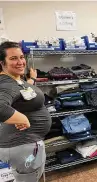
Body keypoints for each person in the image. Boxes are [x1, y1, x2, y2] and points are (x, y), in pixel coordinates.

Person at [0, 41, 52, 182]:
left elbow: (23, 93)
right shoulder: (6, 84)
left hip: (24, 144)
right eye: (13, 58)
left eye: (22, 57)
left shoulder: (14, 80)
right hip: (23, 146)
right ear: (1, 63)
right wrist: (23, 119)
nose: (20, 62)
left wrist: (31, 80)